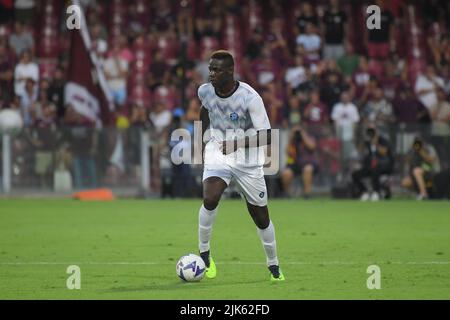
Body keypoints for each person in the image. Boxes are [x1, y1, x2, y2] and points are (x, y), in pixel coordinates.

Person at [197, 50, 284, 281]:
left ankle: (274, 265)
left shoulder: (250, 97)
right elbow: (204, 111)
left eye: (216, 70)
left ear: (229, 71)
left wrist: (237, 143)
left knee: (261, 217)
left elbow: (267, 136)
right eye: (210, 69)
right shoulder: (204, 91)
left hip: (247, 158)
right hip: (218, 150)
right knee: (210, 198)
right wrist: (200, 142)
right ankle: (204, 255)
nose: (211, 73)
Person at [352, 127, 394, 201]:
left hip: (383, 166)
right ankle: (364, 192)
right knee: (355, 174)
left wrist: (376, 142)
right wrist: (363, 140)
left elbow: (384, 152)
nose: (371, 134)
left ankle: (376, 192)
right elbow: (359, 150)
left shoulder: (382, 140)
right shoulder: (367, 141)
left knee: (375, 170)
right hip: (369, 166)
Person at [281, 125, 318, 199]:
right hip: (294, 163)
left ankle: (307, 194)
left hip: (308, 163)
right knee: (286, 173)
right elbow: (288, 152)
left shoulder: (309, 137)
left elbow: (312, 147)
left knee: (308, 169)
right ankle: (287, 194)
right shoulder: (293, 141)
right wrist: (291, 137)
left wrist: (303, 135)